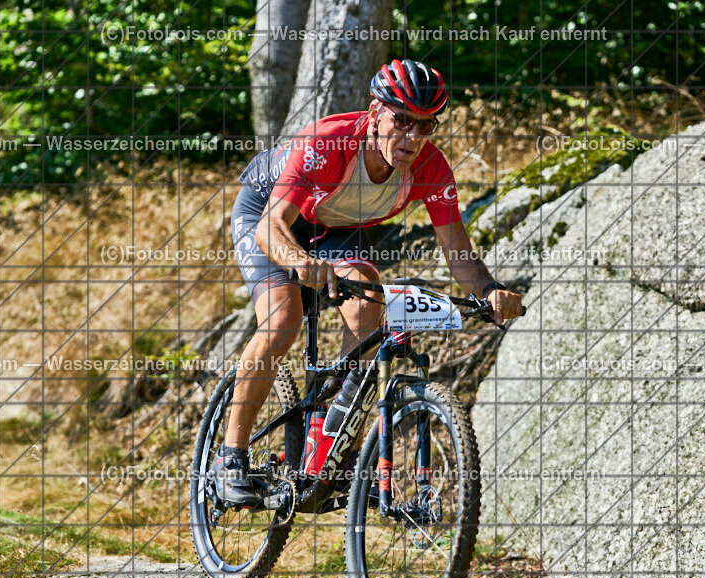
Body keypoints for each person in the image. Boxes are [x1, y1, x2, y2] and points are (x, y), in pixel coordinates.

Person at [216, 58, 523, 505]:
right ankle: (231, 458)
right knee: (283, 318)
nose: (413, 137)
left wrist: (490, 292)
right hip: (268, 214)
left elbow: (459, 252)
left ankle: (328, 444)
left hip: (330, 226)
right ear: (375, 112)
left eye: (426, 125)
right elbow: (269, 227)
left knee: (368, 301)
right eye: (402, 121)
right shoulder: (329, 141)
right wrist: (299, 262)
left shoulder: (431, 169)